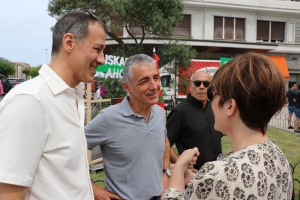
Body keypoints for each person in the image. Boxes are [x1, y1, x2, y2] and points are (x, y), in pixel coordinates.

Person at [0, 11, 109, 200]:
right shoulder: (31, 101)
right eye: (97, 49)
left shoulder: (73, 96)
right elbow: (8, 193)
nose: (102, 59)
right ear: (69, 42)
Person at [164, 52, 293, 200]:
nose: (206, 94)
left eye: (213, 94)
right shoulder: (279, 158)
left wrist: (179, 167)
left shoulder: (220, 173)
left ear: (230, 106)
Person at [85, 54, 171, 200]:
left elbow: (165, 142)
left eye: (156, 78)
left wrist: (165, 171)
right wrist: (91, 188)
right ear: (127, 87)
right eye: (144, 81)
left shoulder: (160, 112)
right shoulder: (108, 118)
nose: (154, 86)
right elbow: (70, 150)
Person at [166, 70, 222, 171]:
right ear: (190, 87)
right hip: (194, 177)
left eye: (206, 84)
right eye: (197, 83)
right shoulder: (180, 112)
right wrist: (182, 165)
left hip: (218, 173)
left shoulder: (214, 108)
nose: (201, 87)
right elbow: (164, 145)